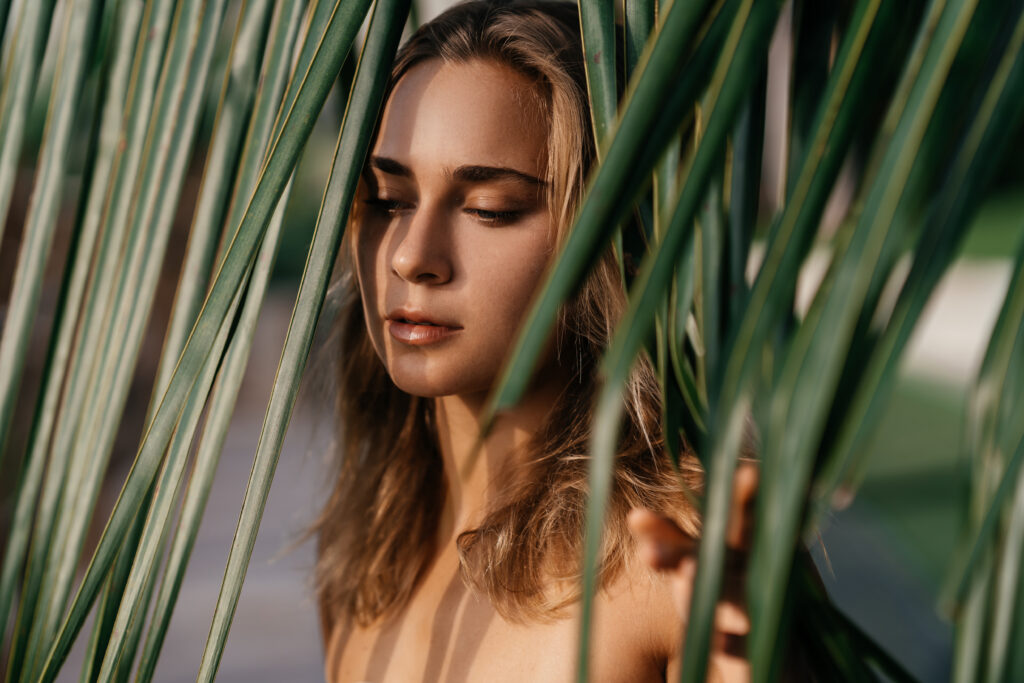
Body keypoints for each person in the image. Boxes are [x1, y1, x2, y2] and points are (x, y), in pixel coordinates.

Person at [313, 2, 756, 680]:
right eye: (389, 199)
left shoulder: (676, 561)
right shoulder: (362, 555)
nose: (411, 256)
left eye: (490, 209)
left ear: (608, 237)